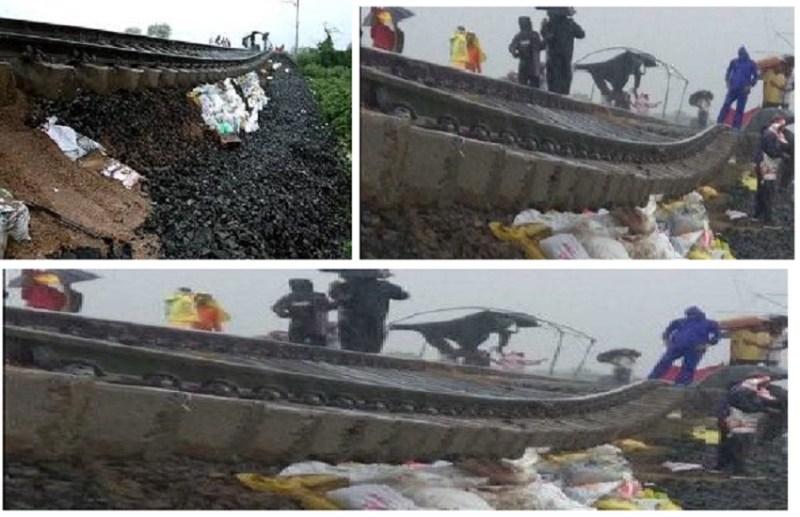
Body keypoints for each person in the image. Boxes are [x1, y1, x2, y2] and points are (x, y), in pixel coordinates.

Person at [714, 375, 779, 477]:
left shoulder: (737, 390)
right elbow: (747, 407)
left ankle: (721, 467)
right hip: (739, 424)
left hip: (728, 421)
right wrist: (764, 408)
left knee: (727, 444)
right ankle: (738, 471)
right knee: (739, 447)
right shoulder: (744, 392)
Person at [329, 271, 409, 353]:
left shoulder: (346, 286)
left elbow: (334, 302)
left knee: (350, 353)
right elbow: (404, 295)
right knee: (370, 354)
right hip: (375, 329)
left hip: (351, 330)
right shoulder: (385, 286)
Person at [648, 306, 721, 386]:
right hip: (676, 346)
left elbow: (717, 335)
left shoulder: (710, 323)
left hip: (696, 348)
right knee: (665, 361)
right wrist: (666, 340)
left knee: (688, 367)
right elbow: (668, 330)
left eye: (693, 314)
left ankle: (682, 384)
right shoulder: (680, 321)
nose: (691, 316)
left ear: (699, 314)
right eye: (689, 314)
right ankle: (652, 379)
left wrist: (707, 344)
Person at [272, 279, 337, 347]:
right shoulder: (318, 296)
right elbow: (330, 306)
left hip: (303, 328)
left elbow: (276, 308)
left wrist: (286, 314)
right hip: (313, 329)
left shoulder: (290, 297)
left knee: (296, 348)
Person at [752, 116, 790, 225]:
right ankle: (767, 220)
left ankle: (758, 215)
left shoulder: (772, 134)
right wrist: (782, 155)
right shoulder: (770, 134)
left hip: (764, 165)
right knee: (768, 191)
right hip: (766, 166)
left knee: (762, 190)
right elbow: (771, 151)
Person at [541, 7, 585, 95]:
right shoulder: (570, 23)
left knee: (555, 78)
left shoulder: (551, 24)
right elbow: (581, 34)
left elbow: (545, 37)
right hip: (566, 55)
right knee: (564, 77)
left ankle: (555, 95)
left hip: (554, 56)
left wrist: (544, 27)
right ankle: (562, 95)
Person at [716, 46, 759, 130]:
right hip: (733, 88)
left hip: (743, 89)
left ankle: (736, 126)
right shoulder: (734, 62)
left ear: (746, 54)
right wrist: (727, 81)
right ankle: (720, 122)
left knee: (740, 108)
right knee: (726, 104)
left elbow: (756, 77)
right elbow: (728, 71)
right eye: (740, 54)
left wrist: (750, 85)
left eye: (742, 54)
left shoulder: (751, 63)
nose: (741, 55)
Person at [508, 16, 544, 88]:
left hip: (533, 65)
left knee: (534, 88)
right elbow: (512, 47)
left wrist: (546, 37)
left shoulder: (534, 35)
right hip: (524, 65)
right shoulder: (519, 36)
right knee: (522, 87)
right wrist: (514, 52)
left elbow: (541, 46)